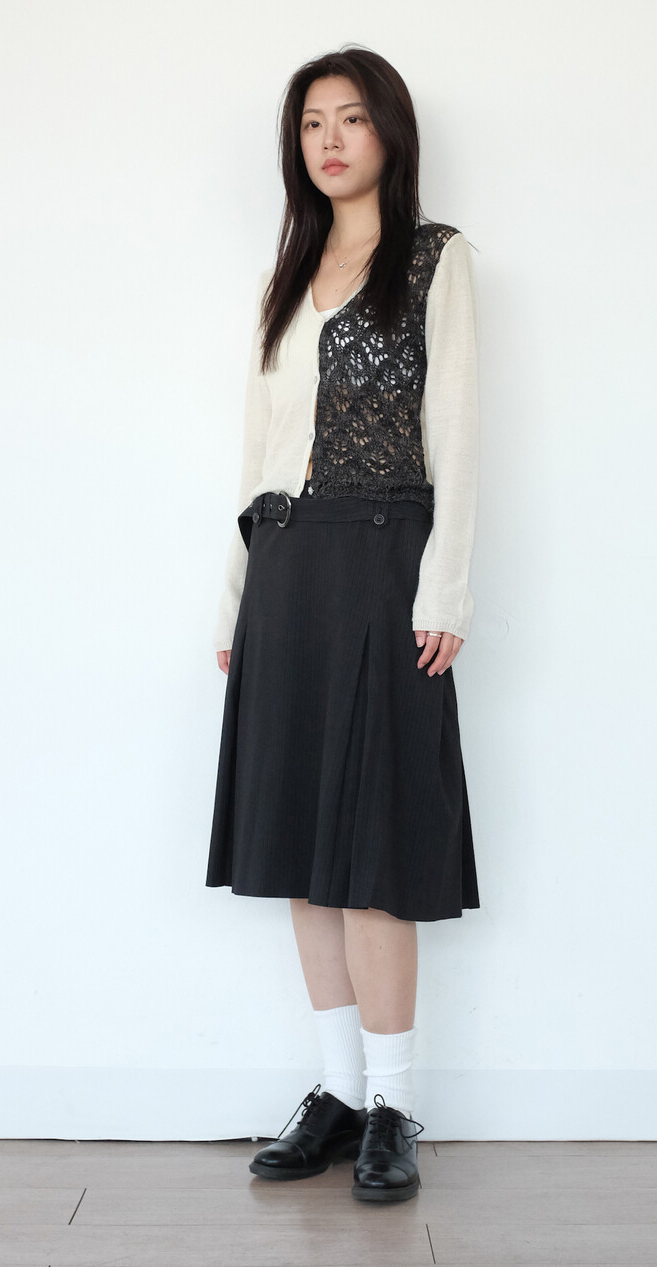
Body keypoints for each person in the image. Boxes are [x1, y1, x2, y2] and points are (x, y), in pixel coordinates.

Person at [206, 45, 480, 1203]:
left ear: (388, 134)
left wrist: (445, 590)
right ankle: (334, 1091)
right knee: (302, 859)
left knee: (371, 855)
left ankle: (394, 1105)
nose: (328, 138)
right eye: (312, 120)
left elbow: (456, 427)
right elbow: (258, 452)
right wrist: (236, 596)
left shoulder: (433, 260)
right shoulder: (288, 273)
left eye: (351, 118)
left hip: (382, 562)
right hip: (285, 569)